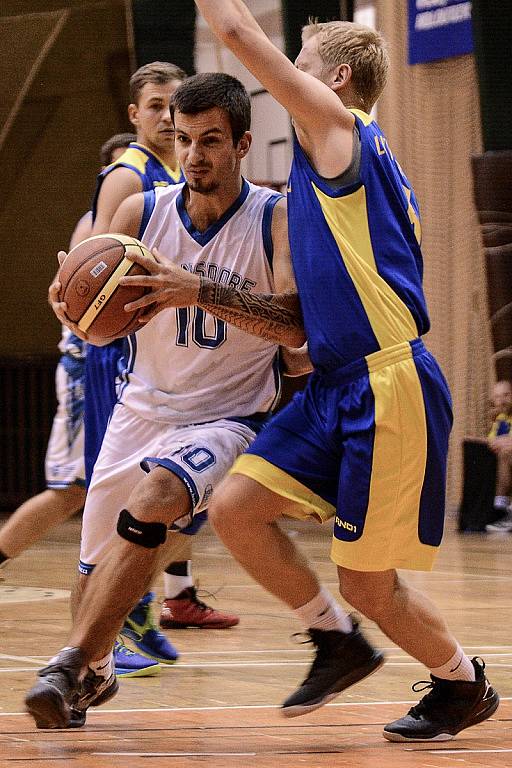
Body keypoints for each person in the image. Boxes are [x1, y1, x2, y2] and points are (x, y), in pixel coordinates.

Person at [177, 3, 497, 743]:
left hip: (387, 387)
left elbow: (236, 34)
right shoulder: (328, 165)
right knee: (235, 508)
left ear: (338, 77)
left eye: (303, 58)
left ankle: (461, 682)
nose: (291, 68)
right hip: (333, 386)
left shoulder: (339, 130)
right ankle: (335, 640)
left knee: (368, 584)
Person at [24, 72, 305, 730]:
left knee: (154, 506)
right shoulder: (140, 212)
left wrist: (198, 289)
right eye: (183, 139)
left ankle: (70, 664)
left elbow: (294, 327)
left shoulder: (274, 218)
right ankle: (91, 674)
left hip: (226, 415)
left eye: (211, 141)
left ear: (242, 143)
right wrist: (71, 303)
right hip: (139, 407)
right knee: (91, 569)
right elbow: (87, 306)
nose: (195, 154)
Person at [85, 62, 240, 666]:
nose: (165, 116)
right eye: (155, 106)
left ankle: (161, 601)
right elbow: (97, 276)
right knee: (119, 499)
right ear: (137, 115)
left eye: (172, 106)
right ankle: (127, 617)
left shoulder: (186, 176)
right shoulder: (130, 178)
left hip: (196, 363)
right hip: (120, 354)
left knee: (180, 496)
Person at [486, 380, 512, 530]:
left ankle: (502, 506)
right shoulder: (501, 420)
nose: (501, 401)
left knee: (506, 452)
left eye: (506, 395)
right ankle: (500, 510)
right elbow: (492, 440)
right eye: (497, 397)